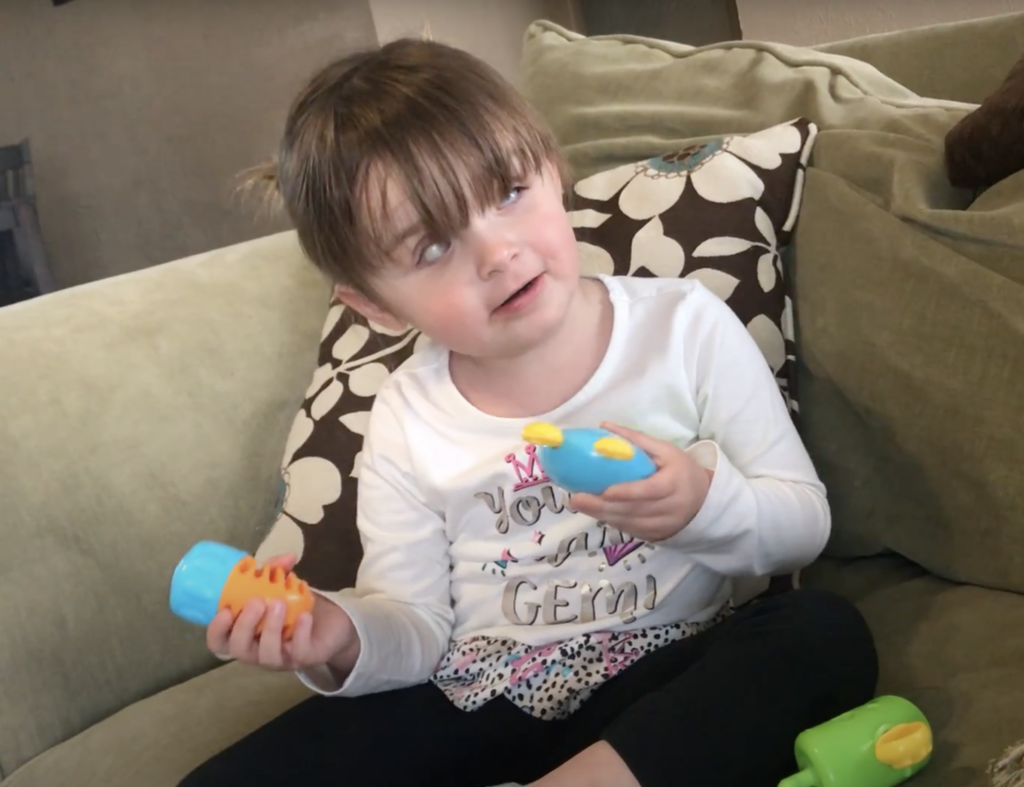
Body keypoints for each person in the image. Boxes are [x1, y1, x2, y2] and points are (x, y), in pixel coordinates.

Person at [179, 36, 878, 787]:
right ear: (375, 307)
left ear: (552, 166)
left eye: (509, 192)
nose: (497, 253)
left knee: (822, 635)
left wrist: (701, 504)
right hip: (481, 691)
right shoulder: (408, 415)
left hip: (666, 672)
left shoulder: (686, 328)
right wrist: (333, 632)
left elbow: (802, 525)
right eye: (433, 246)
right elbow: (414, 627)